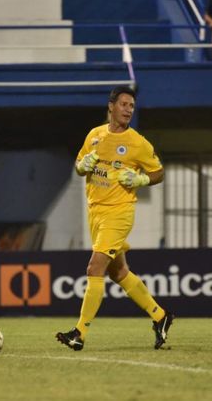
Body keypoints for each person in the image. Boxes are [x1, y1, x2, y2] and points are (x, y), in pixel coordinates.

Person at [55, 86, 173, 351]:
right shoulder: (94, 135)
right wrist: (81, 166)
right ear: (111, 106)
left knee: (94, 268)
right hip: (95, 211)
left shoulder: (137, 142)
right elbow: (79, 164)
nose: (129, 110)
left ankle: (79, 333)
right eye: (124, 104)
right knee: (119, 272)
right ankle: (161, 317)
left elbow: (159, 172)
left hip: (119, 213)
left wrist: (141, 179)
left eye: (132, 106)